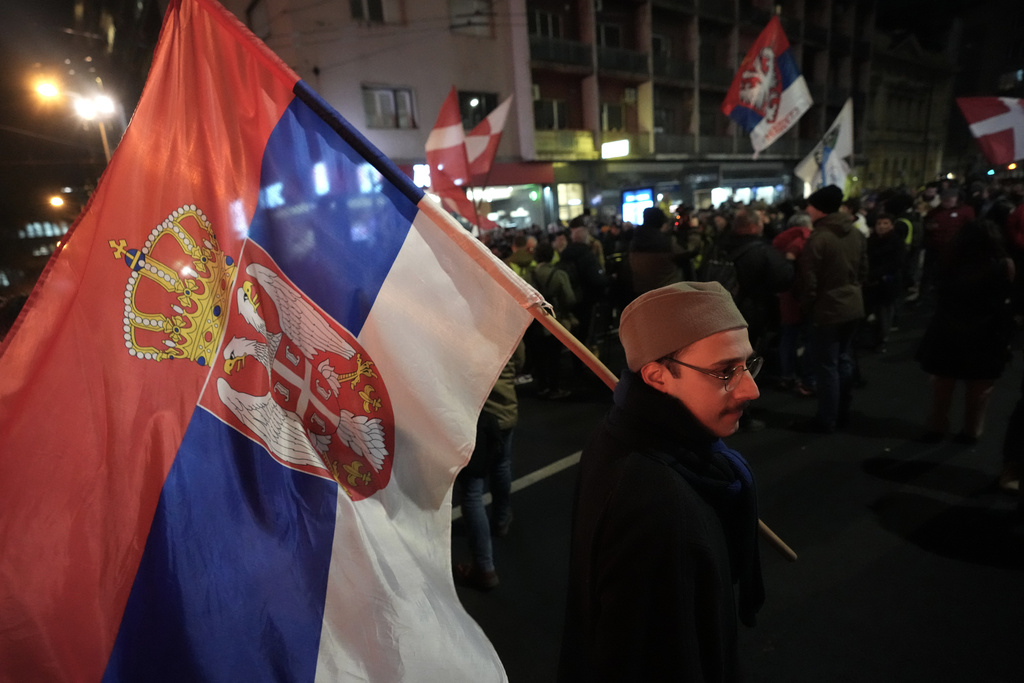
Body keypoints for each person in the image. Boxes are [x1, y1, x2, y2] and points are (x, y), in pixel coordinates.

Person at [560, 281, 765, 682]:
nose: (751, 389)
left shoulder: (621, 432)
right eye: (725, 372)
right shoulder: (660, 507)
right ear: (657, 376)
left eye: (748, 365)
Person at [915, 220, 1015, 444]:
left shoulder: (949, 261)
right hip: (987, 332)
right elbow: (1006, 300)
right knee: (979, 388)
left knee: (943, 384)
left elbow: (937, 293)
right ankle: (972, 429)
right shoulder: (1003, 265)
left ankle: (937, 425)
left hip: (948, 328)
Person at [793, 185, 868, 433]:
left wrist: (808, 306)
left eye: (811, 206)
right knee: (843, 359)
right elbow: (863, 270)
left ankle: (827, 418)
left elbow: (809, 280)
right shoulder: (855, 234)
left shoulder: (820, 238)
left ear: (820, 209)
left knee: (826, 365)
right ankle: (842, 411)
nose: (807, 210)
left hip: (828, 309)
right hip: (853, 304)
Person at [453, 341, 525, 590]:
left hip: (478, 418)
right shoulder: (505, 318)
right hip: (506, 411)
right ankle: (501, 519)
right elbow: (518, 362)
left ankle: (484, 568)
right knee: (502, 465)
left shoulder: (457, 328)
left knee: (472, 491)